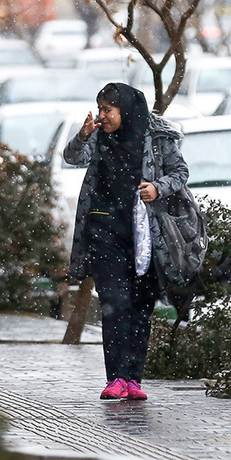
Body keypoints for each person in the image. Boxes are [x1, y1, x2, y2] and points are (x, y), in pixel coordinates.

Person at [63, 82, 188, 401]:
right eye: (100, 108)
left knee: (140, 306)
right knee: (115, 304)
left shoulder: (158, 138)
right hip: (104, 233)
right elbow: (72, 157)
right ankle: (116, 377)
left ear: (127, 111)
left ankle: (134, 379)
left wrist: (158, 188)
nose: (102, 116)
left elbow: (180, 172)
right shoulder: (100, 138)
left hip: (145, 235)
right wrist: (84, 134)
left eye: (109, 110)